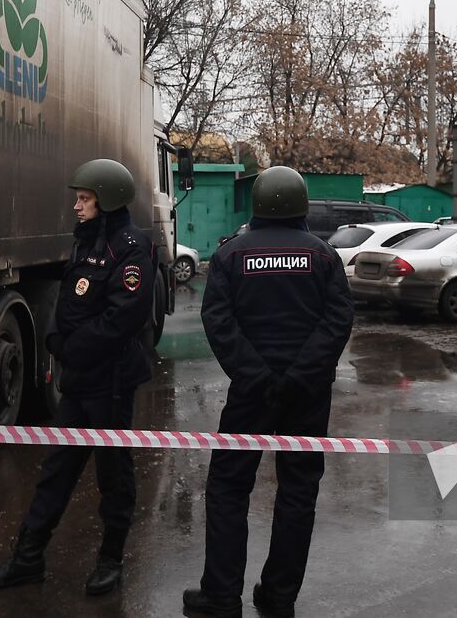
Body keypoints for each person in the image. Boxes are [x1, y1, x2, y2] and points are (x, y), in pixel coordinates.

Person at [0, 158, 154, 598]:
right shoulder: (85, 242)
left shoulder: (131, 249)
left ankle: (110, 561)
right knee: (56, 470)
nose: (76, 206)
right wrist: (54, 337)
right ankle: (27, 559)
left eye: (84, 198)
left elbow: (122, 319)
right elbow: (68, 301)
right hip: (79, 383)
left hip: (110, 383)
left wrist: (73, 349)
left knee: (114, 476)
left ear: (106, 201)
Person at [183, 166, 355, 618]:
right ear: (301, 204)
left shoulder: (231, 255)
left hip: (249, 394)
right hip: (308, 394)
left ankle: (220, 596)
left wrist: (255, 375)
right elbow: (337, 323)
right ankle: (279, 597)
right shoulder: (323, 256)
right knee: (298, 493)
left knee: (227, 489)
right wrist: (300, 375)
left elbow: (218, 322)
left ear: (257, 203)